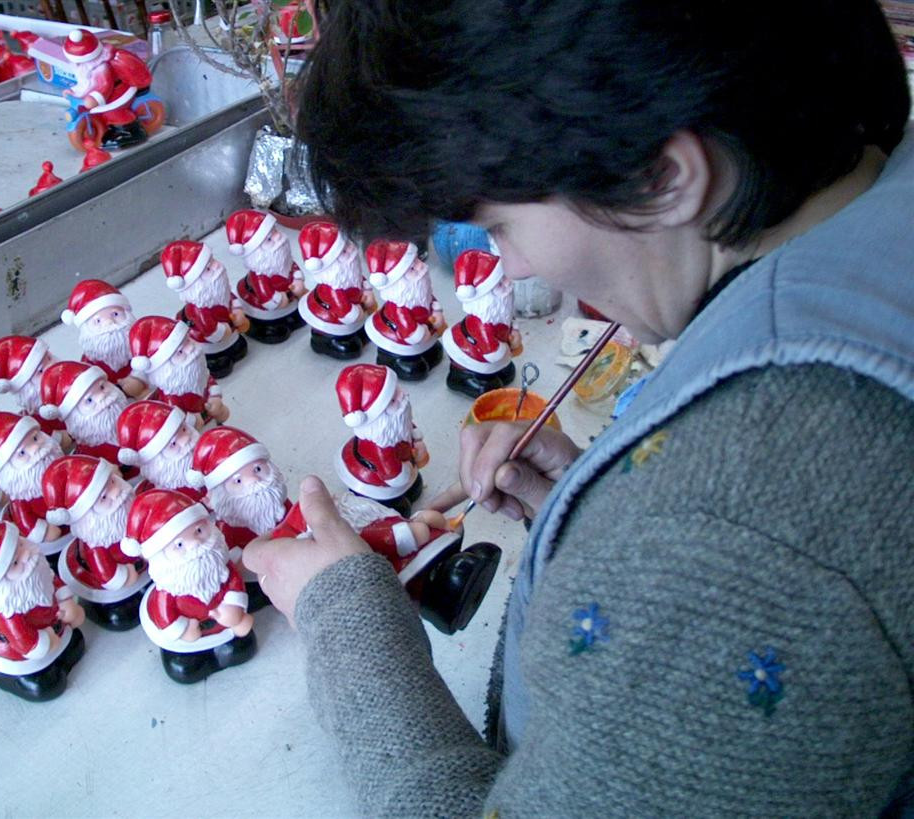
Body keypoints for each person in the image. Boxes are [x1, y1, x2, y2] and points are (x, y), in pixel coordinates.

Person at [243, 0, 914, 815]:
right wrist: (608, 501)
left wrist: (349, 622)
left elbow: (743, 558)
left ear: (663, 178)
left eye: (498, 226)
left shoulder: (736, 542)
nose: (510, 265)